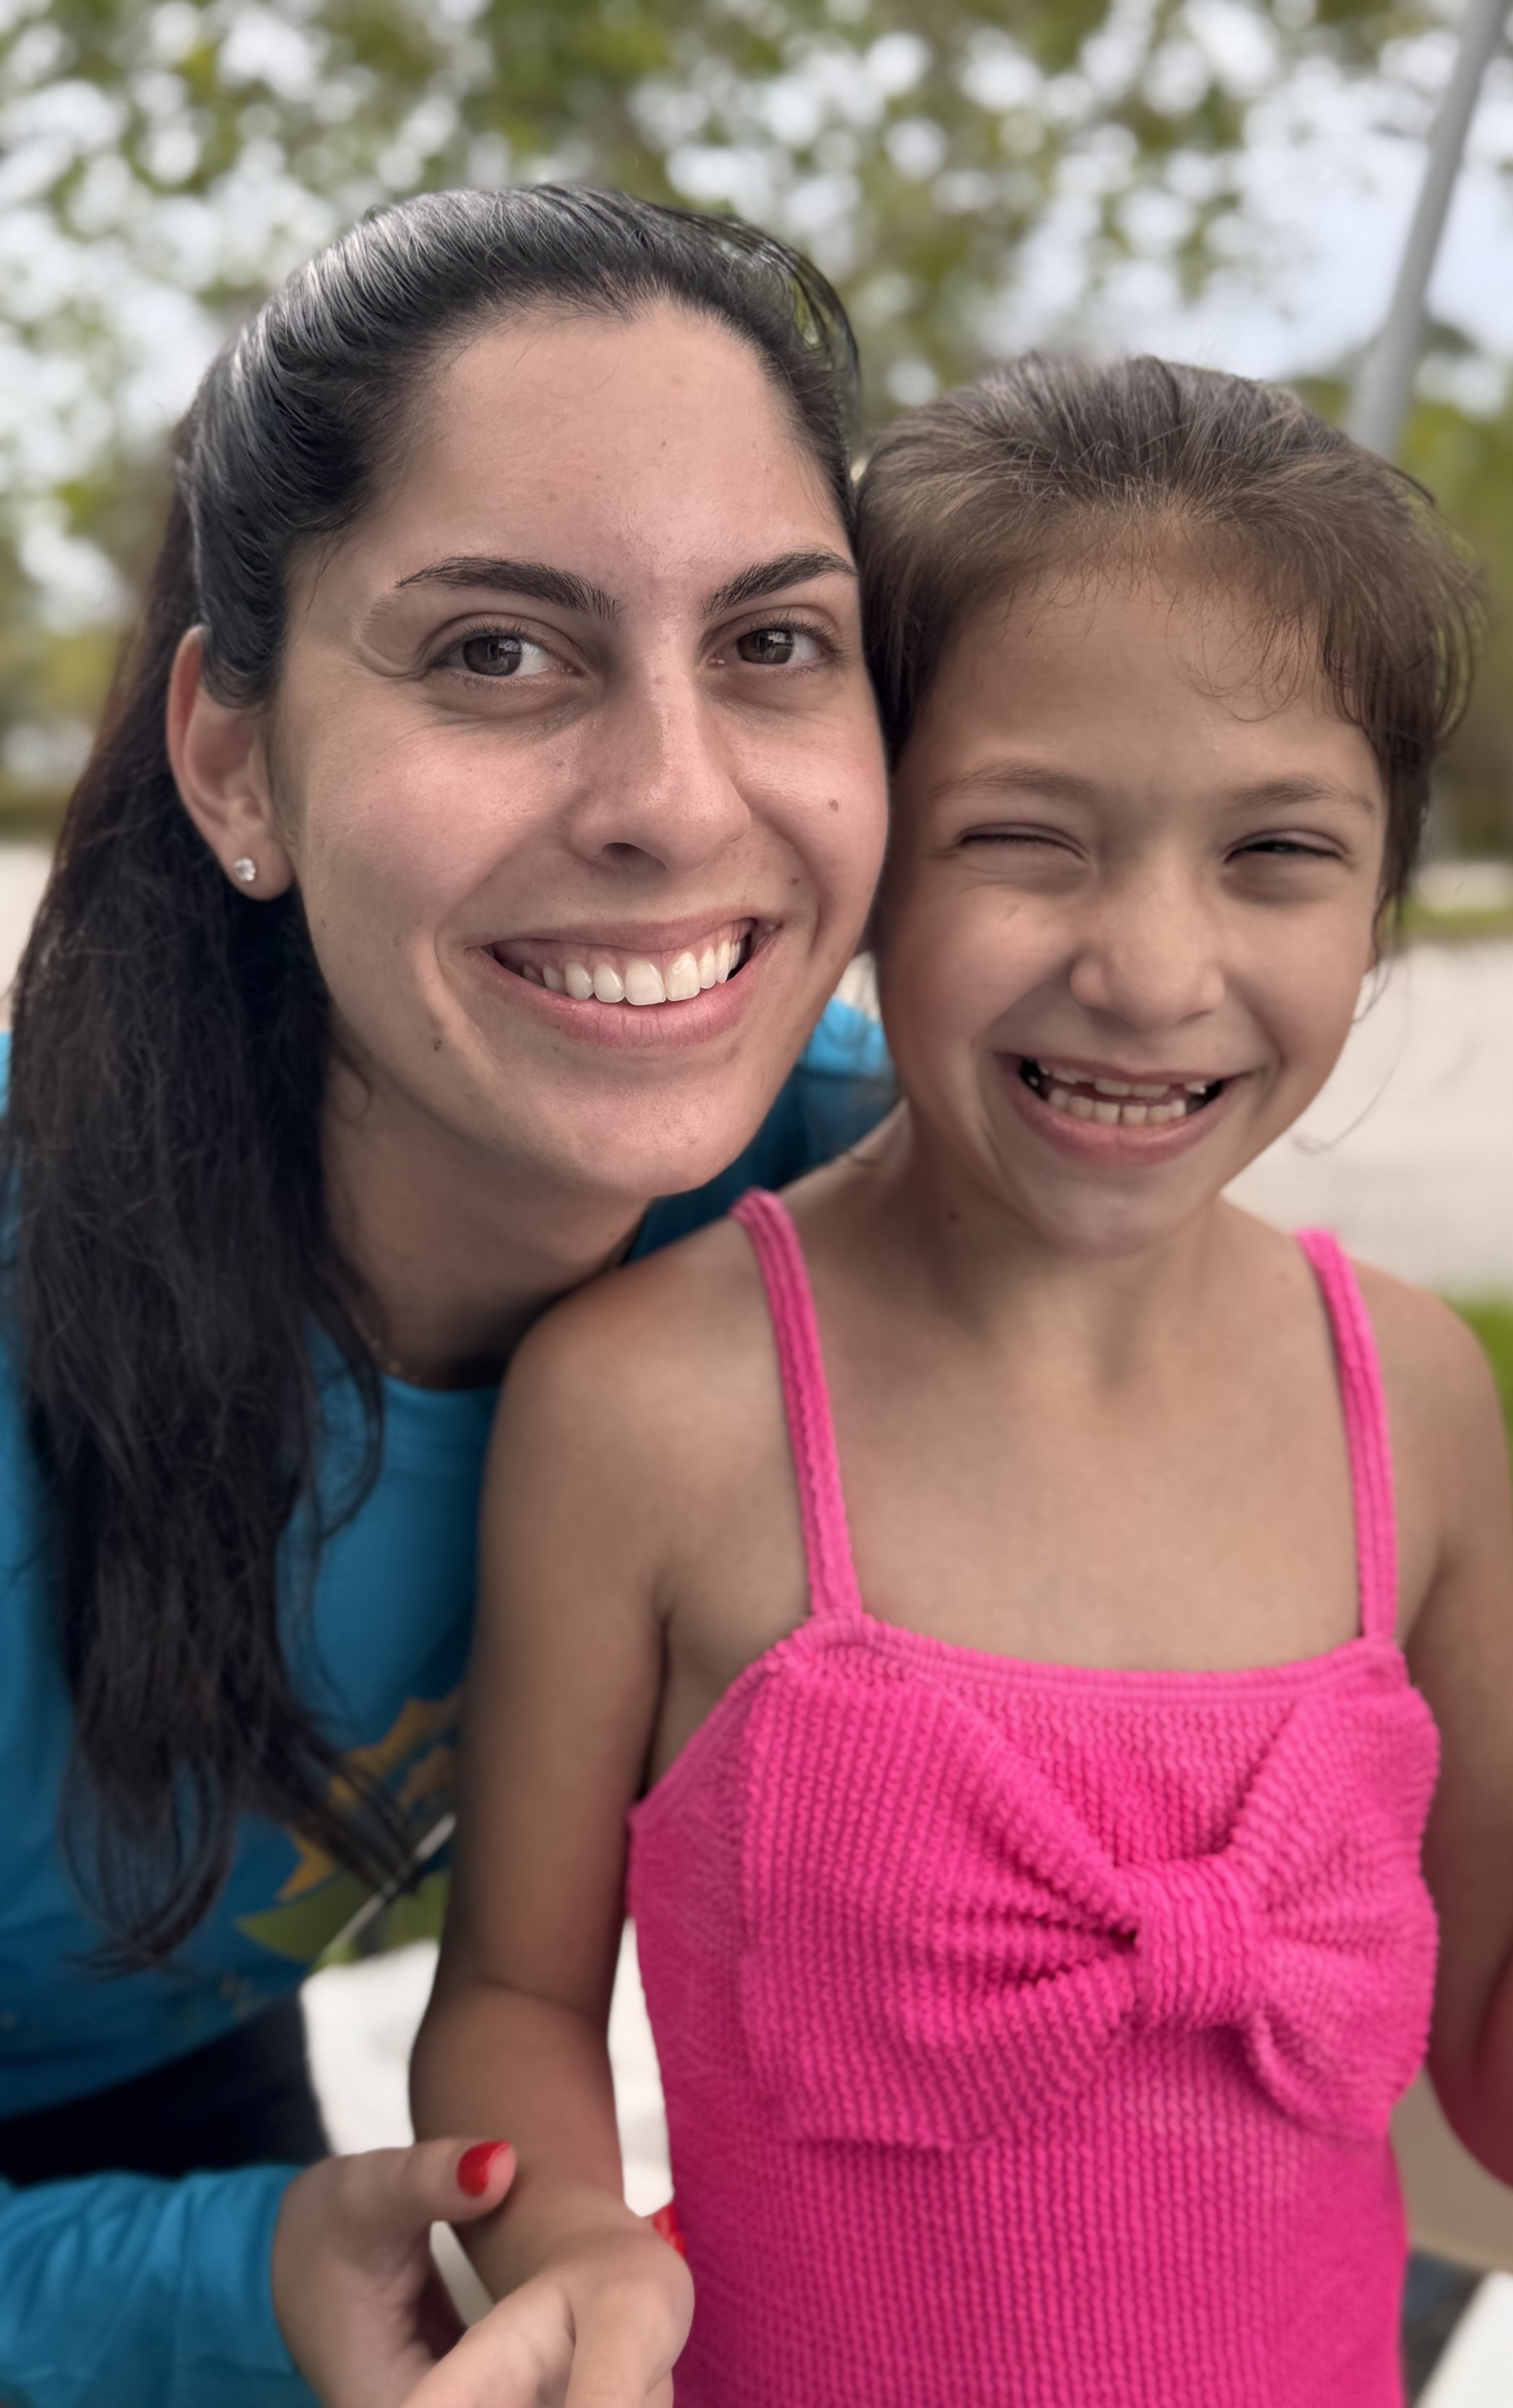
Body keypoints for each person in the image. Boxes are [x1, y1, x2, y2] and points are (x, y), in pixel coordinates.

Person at [411, 354, 1513, 2408]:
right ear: (862, 838)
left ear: (1383, 894)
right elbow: (512, 1992)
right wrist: (568, 2249)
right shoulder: (650, 1405)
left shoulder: (1402, 1398)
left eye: (1274, 856)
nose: (1152, 972)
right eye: (1025, 839)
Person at [0, 184, 893, 2408]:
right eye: (498, 650)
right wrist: (219, 2284)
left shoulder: (845, 1198)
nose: (674, 801)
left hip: (202, 2079)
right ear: (233, 758)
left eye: (774, 643)